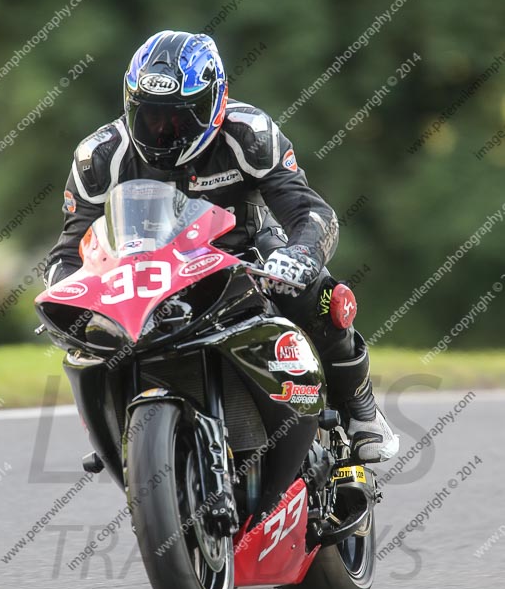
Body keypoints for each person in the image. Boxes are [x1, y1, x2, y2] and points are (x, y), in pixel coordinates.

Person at [45, 30, 398, 463]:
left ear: (214, 103)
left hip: (243, 255)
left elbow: (310, 211)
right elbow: (68, 252)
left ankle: (360, 407)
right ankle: (117, 429)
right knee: (91, 340)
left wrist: (302, 254)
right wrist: (70, 298)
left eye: (179, 117)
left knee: (319, 294)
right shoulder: (99, 157)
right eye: (150, 115)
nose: (162, 130)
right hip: (144, 276)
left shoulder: (249, 133)